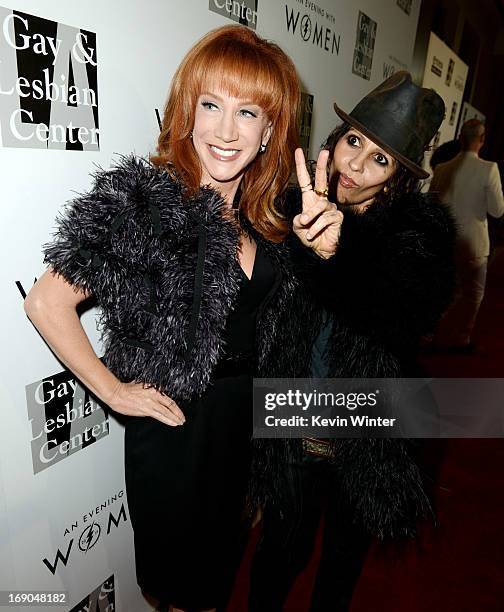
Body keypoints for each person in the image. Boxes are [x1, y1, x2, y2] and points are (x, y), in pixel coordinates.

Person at [24, 25, 318, 612]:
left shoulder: (271, 222)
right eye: (211, 105)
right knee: (180, 594)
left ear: (270, 132)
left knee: (214, 586)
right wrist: (113, 390)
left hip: (241, 428)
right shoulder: (146, 203)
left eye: (248, 112)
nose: (226, 131)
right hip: (179, 432)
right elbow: (45, 302)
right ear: (187, 111)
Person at [248, 71, 456, 612]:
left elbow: (398, 311)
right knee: (279, 555)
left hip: (366, 433)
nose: (355, 166)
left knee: (340, 565)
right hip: (293, 422)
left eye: (380, 159)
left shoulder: (420, 237)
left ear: (398, 179)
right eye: (354, 140)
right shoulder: (293, 206)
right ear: (336, 140)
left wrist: (337, 255)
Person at [430, 119, 504, 351]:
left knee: (442, 293)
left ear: (460, 138)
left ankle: (433, 335)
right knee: (473, 295)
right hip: (474, 244)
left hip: (445, 243)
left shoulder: (442, 169)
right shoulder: (489, 169)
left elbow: (433, 206)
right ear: (482, 140)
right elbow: (497, 210)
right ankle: (460, 339)